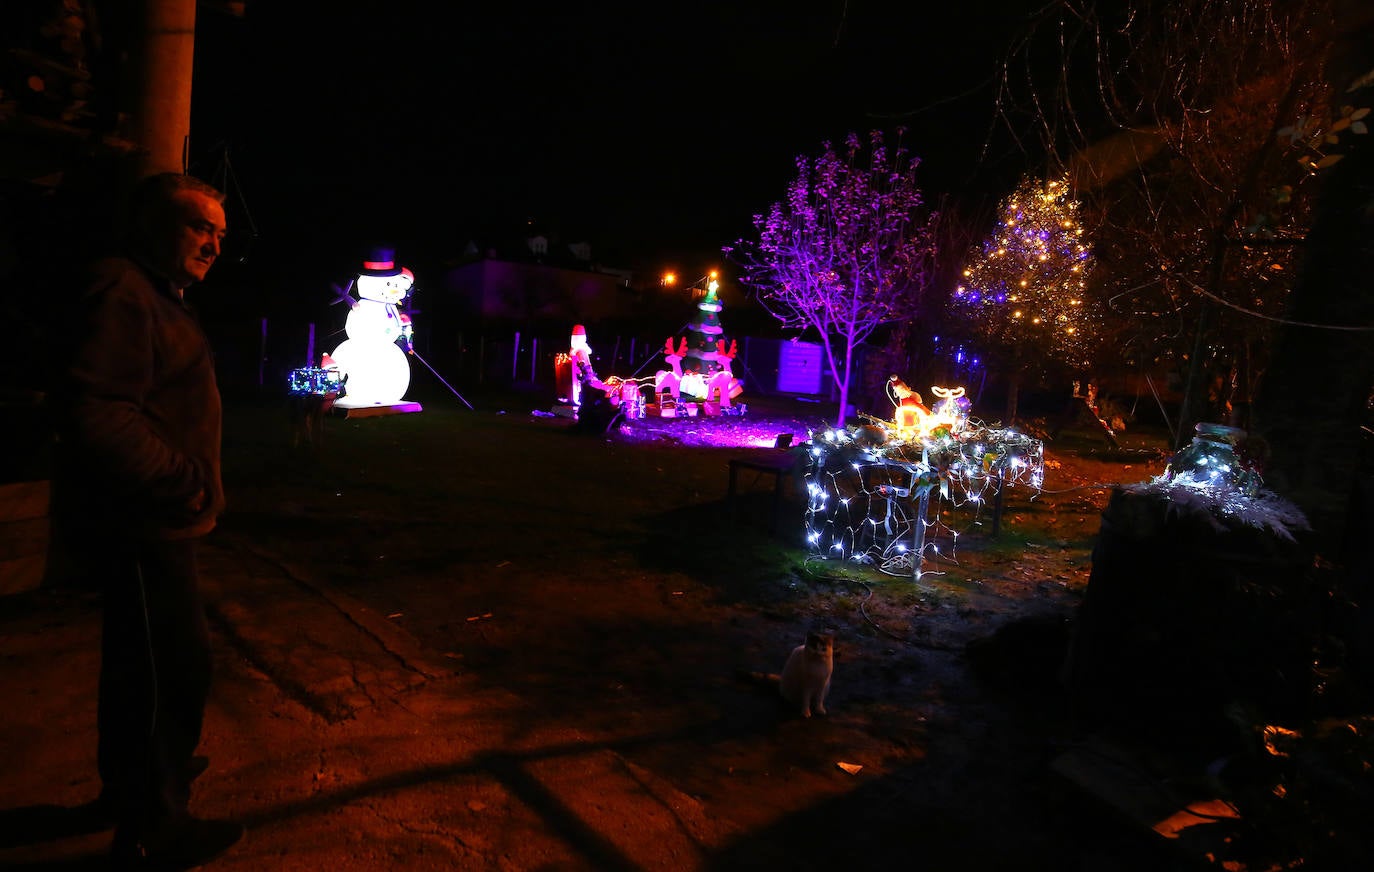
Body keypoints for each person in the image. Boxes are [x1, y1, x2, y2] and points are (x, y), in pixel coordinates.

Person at [47, 172, 244, 869]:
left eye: (220, 233)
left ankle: (132, 782)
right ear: (151, 226)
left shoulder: (160, 297)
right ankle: (154, 824)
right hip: (144, 521)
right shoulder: (124, 291)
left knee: (141, 664)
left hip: (159, 519)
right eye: (199, 226)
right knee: (172, 669)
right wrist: (180, 478)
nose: (213, 244)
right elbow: (98, 411)